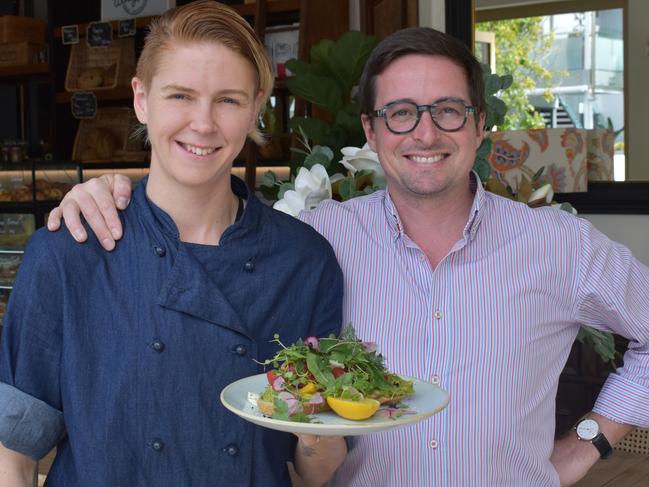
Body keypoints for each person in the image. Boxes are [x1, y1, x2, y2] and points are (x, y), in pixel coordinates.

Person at [45, 26, 649, 486]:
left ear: (480, 124)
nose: (426, 133)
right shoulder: (311, 241)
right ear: (372, 129)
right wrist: (111, 194)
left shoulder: (559, 245)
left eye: (448, 110)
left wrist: (590, 442)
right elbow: (204, 227)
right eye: (400, 113)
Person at [0, 2, 347, 486]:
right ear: (142, 99)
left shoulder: (303, 260)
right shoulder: (70, 250)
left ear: (256, 105)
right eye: (181, 95)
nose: (202, 124)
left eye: (228, 100)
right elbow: (11, 456)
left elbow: (317, 472)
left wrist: (323, 419)